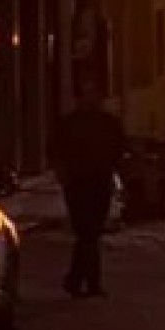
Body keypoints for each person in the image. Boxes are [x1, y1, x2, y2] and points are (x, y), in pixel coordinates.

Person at [51, 80, 126, 298]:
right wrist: (63, 175)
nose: (91, 99)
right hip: (77, 184)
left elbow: (119, 149)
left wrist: (117, 174)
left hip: (100, 182)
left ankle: (79, 280)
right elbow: (56, 151)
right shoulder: (69, 124)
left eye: (94, 94)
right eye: (87, 94)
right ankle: (86, 281)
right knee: (87, 232)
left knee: (91, 233)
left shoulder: (108, 123)